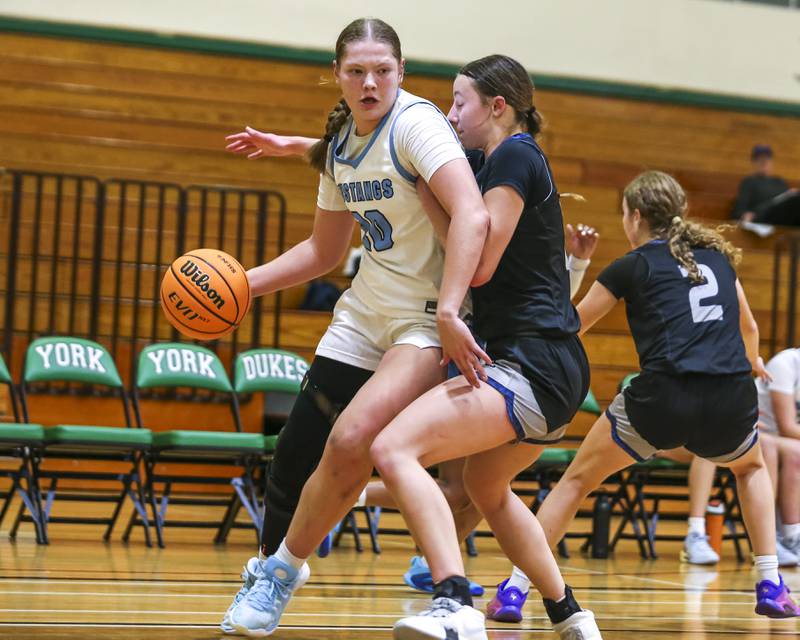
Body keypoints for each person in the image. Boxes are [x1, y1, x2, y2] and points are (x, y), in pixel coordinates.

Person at [222, 17, 491, 637]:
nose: (370, 83)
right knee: (294, 453)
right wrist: (242, 284)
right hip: (364, 313)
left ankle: (283, 574)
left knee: (351, 441)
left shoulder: (418, 125)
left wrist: (451, 310)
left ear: (401, 72)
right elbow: (323, 252)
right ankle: (269, 570)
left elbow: (473, 215)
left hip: (423, 319)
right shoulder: (341, 139)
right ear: (337, 76)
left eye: (383, 71)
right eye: (357, 71)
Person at [368, 54, 601, 640]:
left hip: (533, 362)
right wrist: (308, 148)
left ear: (497, 107)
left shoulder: (517, 154)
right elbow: (400, 158)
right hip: (553, 369)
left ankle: (453, 603)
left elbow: (480, 266)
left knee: (393, 447)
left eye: (459, 102)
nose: (450, 115)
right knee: (484, 487)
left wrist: (426, 198)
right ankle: (570, 614)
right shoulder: (486, 161)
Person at [533, 170, 800, 619]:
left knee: (576, 482)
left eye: (624, 214)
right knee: (751, 468)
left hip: (664, 399)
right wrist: (753, 360)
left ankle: (515, 587)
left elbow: (571, 327)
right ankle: (771, 583)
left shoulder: (632, 265)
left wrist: (575, 265)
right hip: (729, 397)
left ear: (636, 216)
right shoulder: (717, 259)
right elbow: (749, 327)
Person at [755, 347, 800, 563]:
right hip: (757, 434)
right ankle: (791, 535)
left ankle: (791, 534)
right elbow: (787, 427)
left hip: (781, 439)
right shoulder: (786, 364)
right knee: (796, 453)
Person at [732, 144, 794, 223]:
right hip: (762, 220)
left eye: (767, 158)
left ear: (772, 162)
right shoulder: (749, 182)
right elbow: (739, 211)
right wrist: (745, 215)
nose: (764, 161)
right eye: (759, 158)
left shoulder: (780, 182)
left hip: (782, 221)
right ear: (753, 162)